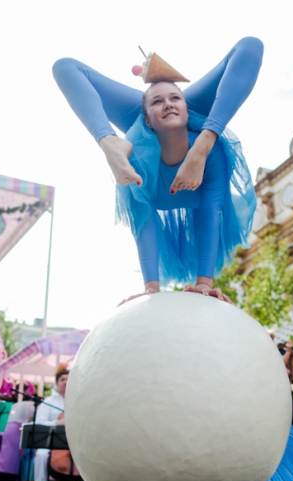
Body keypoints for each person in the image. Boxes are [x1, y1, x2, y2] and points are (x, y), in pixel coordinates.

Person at [53, 38, 262, 302]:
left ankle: (193, 125)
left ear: (187, 111)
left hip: (203, 139)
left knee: (251, 45)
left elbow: (210, 212)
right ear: (146, 121)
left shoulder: (214, 154)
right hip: (134, 139)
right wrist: (150, 288)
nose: (168, 104)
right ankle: (111, 141)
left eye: (176, 98)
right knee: (64, 66)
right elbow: (144, 219)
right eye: (158, 102)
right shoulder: (133, 159)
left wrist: (204, 284)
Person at [28, 369, 68, 481]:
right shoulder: (48, 402)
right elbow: (39, 423)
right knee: (41, 455)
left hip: (70, 445)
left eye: (68, 380)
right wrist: (57, 423)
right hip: (50, 444)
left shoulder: (77, 401)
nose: (66, 382)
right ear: (56, 383)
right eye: (62, 379)